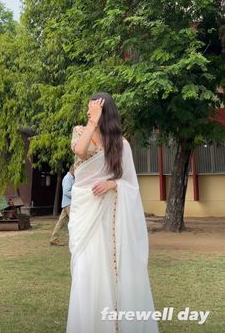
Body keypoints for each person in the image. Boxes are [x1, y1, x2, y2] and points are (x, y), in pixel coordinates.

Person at [66, 92, 159, 333]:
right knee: (87, 268)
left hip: (110, 215)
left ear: (106, 112)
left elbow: (130, 184)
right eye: (88, 109)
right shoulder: (81, 130)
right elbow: (79, 150)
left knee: (110, 267)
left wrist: (113, 184)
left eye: (94, 109)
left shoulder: (122, 145)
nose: (88, 112)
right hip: (85, 212)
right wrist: (92, 123)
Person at [50, 165, 75, 246]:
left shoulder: (70, 178)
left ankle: (54, 239)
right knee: (75, 221)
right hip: (68, 204)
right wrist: (76, 195)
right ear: (73, 170)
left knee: (61, 222)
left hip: (67, 203)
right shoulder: (68, 178)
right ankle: (76, 240)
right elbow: (66, 192)